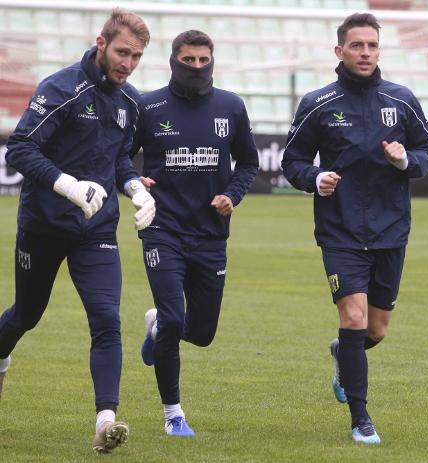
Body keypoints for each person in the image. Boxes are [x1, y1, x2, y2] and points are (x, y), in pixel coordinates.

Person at [0, 8, 156, 454]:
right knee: (26, 315)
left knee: (107, 319)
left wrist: (134, 189)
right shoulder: (62, 88)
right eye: (123, 52)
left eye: (137, 57)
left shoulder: (130, 102)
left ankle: (106, 422)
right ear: (101, 43)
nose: (128, 63)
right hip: (44, 225)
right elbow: (21, 148)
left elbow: (121, 158)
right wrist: (68, 185)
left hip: (97, 229)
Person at [281, 12, 428, 445]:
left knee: (376, 329)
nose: (365, 53)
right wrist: (315, 178)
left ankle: (342, 355)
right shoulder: (318, 104)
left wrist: (405, 161)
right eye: (357, 46)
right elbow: (291, 161)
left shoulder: (402, 100)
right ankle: (360, 419)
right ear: (340, 51)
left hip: (391, 229)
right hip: (341, 230)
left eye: (372, 46)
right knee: (352, 315)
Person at [131, 30, 259, 437]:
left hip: (210, 234)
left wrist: (232, 196)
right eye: (190, 60)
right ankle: (173, 416)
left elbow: (249, 163)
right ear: (174, 61)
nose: (198, 67)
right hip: (162, 229)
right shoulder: (148, 106)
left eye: (205, 60)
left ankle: (156, 326)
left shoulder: (231, 107)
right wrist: (134, 183)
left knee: (201, 333)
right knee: (173, 319)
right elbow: (119, 156)